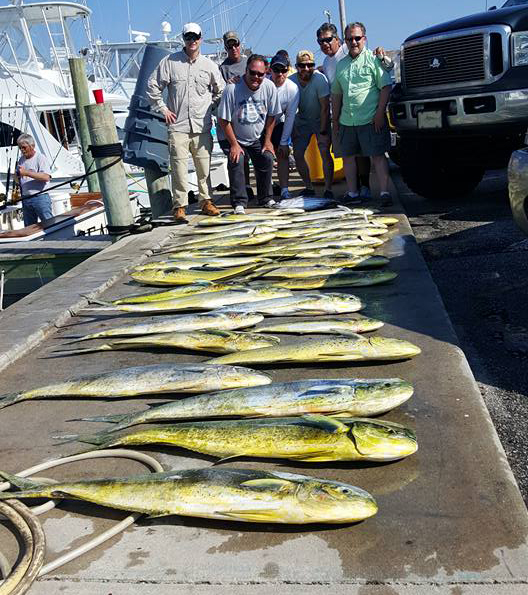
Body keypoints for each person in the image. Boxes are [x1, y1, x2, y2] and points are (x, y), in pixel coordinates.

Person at [147, 22, 225, 223]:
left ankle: (206, 201)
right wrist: (163, 108)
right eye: (188, 37)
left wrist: (210, 108)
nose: (192, 41)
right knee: (179, 167)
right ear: (183, 39)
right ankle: (179, 206)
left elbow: (221, 90)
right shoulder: (170, 62)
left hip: (202, 125)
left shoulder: (209, 65)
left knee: (204, 166)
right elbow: (153, 86)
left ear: (201, 38)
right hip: (178, 126)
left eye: (195, 37)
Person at [317, 22, 394, 200]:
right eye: (350, 38)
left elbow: (385, 87)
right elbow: (336, 94)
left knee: (377, 156)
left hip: (370, 119)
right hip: (347, 120)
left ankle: (384, 192)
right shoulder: (340, 65)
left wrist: (379, 114)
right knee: (348, 157)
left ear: (364, 39)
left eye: (357, 38)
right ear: (346, 40)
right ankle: (353, 192)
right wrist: (335, 120)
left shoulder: (374, 60)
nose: (354, 42)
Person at [217, 54, 281, 214]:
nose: (256, 77)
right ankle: (239, 202)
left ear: (265, 73)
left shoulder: (269, 87)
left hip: (257, 136)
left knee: (266, 157)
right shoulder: (232, 89)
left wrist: (268, 141)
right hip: (232, 135)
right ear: (246, 71)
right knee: (236, 159)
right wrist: (234, 144)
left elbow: (273, 115)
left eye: (260, 74)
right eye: (252, 73)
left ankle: (266, 198)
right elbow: (223, 120)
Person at [290, 50, 334, 199]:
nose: (306, 69)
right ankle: (309, 187)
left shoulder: (320, 79)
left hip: (320, 119)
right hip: (301, 121)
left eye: (310, 65)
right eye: (302, 66)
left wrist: (322, 131)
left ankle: (328, 188)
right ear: (297, 66)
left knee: (324, 151)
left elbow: (325, 107)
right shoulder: (291, 81)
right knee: (297, 154)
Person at [268, 53, 299, 200]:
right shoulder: (263, 84)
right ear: (270, 70)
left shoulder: (292, 89)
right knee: (264, 156)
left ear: (287, 71)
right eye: (276, 70)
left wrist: (284, 142)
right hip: (262, 123)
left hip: (280, 122)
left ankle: (284, 189)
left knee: (283, 154)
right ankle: (267, 189)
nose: (279, 74)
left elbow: (290, 116)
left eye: (283, 70)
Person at [15, 133, 53, 226]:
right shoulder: (21, 160)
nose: (22, 150)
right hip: (26, 198)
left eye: (24, 147)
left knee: (49, 223)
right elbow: (20, 177)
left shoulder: (40, 158)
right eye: (20, 148)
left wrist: (26, 173)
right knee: (29, 227)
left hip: (40, 197)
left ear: (32, 146)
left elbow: (46, 177)